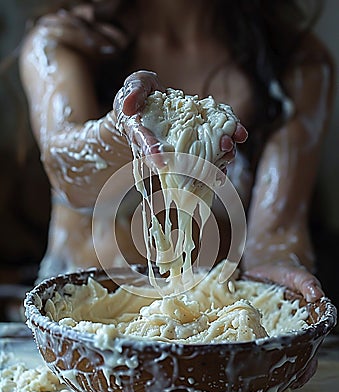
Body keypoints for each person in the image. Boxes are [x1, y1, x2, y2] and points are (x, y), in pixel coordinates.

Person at [19, 0, 334, 305]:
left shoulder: (297, 64)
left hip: (210, 330)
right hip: (82, 326)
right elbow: (65, 170)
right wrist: (118, 130)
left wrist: (278, 272)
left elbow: (275, 236)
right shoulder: (67, 40)